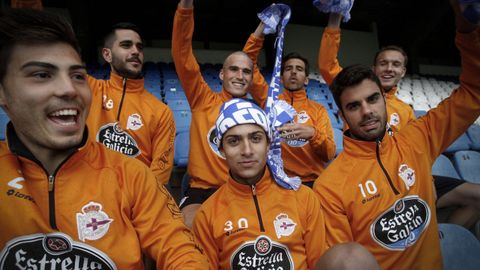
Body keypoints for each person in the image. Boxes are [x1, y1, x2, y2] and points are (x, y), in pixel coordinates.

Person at [0, 8, 208, 269]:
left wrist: (126, 201)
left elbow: (179, 245)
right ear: (106, 54)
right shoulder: (92, 89)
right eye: (43, 75)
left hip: (133, 201)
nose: (68, 88)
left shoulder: (159, 115)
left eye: (76, 76)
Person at [313, 2, 479, 267]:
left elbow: (473, 93)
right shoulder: (330, 188)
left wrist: (467, 28)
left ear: (384, 101)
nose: (367, 111)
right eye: (354, 106)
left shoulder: (418, 137)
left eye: (372, 99)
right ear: (342, 116)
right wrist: (334, 20)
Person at [193, 98, 379, 270]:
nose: (247, 150)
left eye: (255, 138)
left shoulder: (303, 197)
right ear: (222, 150)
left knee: (353, 257)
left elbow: (317, 262)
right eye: (234, 141)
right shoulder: (207, 215)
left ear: (268, 143)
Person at [172, 0, 255, 228]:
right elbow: (182, 54)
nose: (240, 75)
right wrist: (186, 8)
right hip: (202, 191)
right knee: (188, 227)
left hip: (244, 190)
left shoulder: (256, 115)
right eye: (234, 69)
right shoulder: (202, 99)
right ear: (221, 74)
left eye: (246, 71)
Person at [243, 21, 336, 187]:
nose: (293, 71)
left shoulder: (318, 110)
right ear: (281, 78)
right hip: (276, 181)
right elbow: (248, 62)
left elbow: (329, 154)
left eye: (299, 69)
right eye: (288, 69)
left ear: (307, 79)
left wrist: (312, 134)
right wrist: (262, 28)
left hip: (312, 183)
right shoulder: (269, 100)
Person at [86, 22, 175, 185]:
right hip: (89, 189)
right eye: (126, 45)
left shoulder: (161, 111)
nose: (136, 51)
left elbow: (160, 171)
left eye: (139, 47)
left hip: (135, 197)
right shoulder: (89, 90)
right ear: (107, 55)